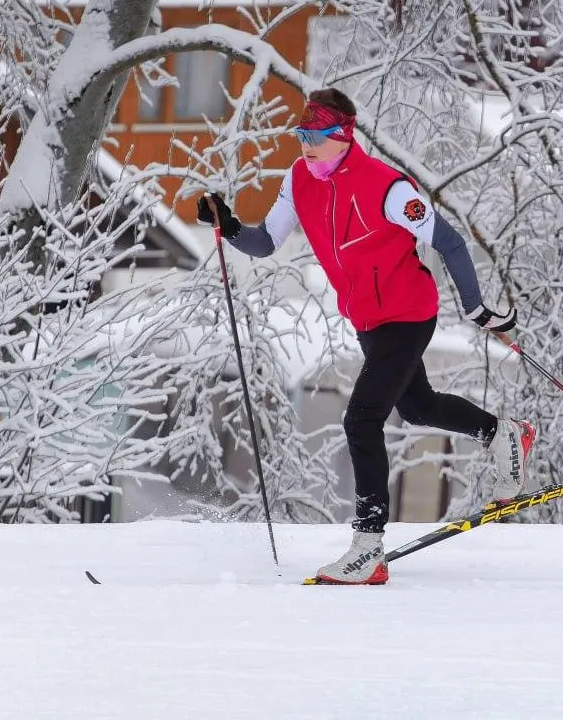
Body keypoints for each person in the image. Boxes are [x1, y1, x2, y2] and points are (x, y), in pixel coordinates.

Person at [198, 88, 536, 585]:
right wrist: (228, 226)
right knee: (416, 406)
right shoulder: (299, 181)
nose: (304, 145)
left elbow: (450, 242)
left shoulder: (387, 188)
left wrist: (477, 309)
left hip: (408, 314)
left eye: (314, 136)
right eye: (300, 135)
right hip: (368, 321)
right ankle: (503, 434)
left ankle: (368, 546)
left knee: (361, 419)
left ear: (343, 136)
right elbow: (267, 242)